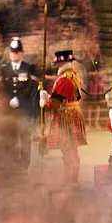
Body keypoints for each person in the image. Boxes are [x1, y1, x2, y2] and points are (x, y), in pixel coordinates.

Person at [40, 50, 88, 184]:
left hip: (67, 115)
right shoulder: (72, 75)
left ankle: (70, 180)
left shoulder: (65, 79)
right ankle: (71, 179)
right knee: (70, 151)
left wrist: (45, 103)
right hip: (71, 112)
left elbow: (56, 102)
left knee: (68, 151)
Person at [0, 37, 40, 172]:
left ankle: (24, 165)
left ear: (22, 53)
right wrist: (8, 99)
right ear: (9, 53)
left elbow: (31, 87)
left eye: (17, 52)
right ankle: (11, 163)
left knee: (25, 138)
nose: (14, 54)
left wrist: (19, 100)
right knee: (10, 137)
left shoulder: (29, 68)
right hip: (9, 110)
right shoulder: (4, 69)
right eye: (12, 52)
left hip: (24, 109)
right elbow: (2, 87)